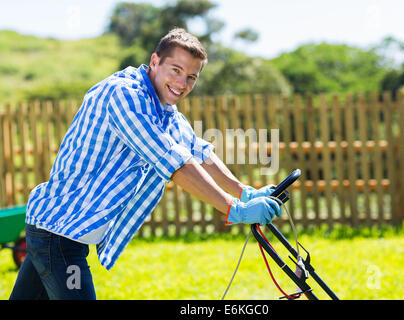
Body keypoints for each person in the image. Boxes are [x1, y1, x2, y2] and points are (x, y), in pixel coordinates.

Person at [9, 28, 281, 300]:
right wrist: (234, 209)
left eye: (191, 77)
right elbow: (174, 163)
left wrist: (244, 191)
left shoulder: (164, 110)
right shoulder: (124, 95)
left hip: (57, 232)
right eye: (175, 70)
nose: (182, 83)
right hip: (58, 236)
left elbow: (198, 152)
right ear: (154, 61)